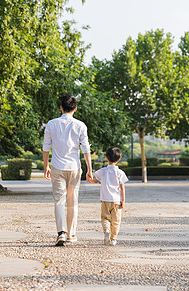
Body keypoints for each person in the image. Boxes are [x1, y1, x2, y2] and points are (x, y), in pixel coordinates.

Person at [43, 95, 92, 246]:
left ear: (61, 108)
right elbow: (85, 148)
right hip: (74, 167)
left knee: (59, 201)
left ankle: (61, 233)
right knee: (73, 202)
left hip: (57, 167)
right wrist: (90, 169)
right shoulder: (80, 125)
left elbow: (46, 148)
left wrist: (46, 167)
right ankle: (71, 234)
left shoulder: (51, 124)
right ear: (75, 109)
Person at [88, 147, 128, 246]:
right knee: (116, 221)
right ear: (119, 159)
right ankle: (113, 239)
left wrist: (89, 180)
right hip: (116, 201)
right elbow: (122, 188)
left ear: (106, 157)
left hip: (105, 200)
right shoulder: (120, 173)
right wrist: (123, 200)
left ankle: (106, 230)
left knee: (105, 218)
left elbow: (95, 180)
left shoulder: (103, 171)